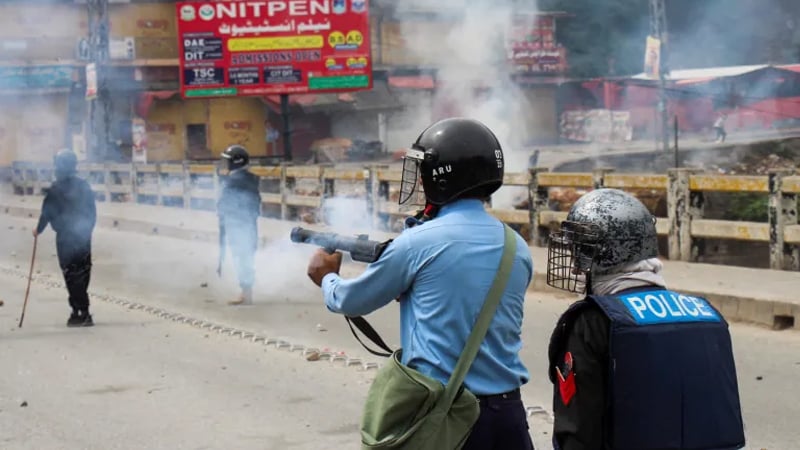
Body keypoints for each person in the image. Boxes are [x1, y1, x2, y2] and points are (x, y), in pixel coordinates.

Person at [306, 117, 536, 449]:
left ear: (441, 179)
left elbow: (350, 300)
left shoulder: (417, 243)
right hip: (507, 415)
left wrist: (326, 276)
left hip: (448, 413)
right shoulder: (517, 246)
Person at [545, 188, 746, 450]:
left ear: (605, 255)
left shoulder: (595, 321)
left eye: (581, 252)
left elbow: (579, 430)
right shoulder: (707, 315)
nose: (574, 265)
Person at [33, 149, 97, 327]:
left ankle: (81, 312)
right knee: (83, 272)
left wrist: (38, 230)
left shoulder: (56, 188)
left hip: (66, 237)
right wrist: (87, 231)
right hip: (83, 236)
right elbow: (92, 213)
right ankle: (78, 311)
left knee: (71, 273)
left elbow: (47, 212)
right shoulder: (84, 186)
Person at [217, 144, 261, 305]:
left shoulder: (235, 180)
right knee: (244, 256)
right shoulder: (246, 178)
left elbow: (227, 203)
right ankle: (246, 291)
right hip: (245, 224)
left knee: (242, 257)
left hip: (240, 224)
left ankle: (246, 293)